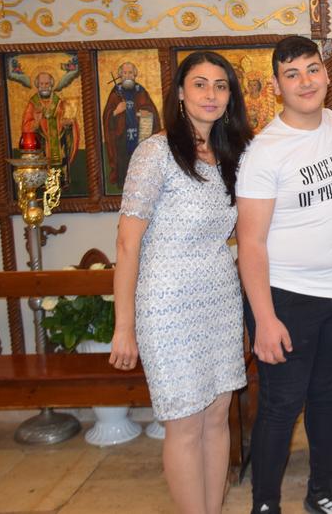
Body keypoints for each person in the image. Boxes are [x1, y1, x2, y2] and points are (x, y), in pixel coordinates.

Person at [109, 51, 253, 514]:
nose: (211, 94)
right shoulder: (156, 153)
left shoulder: (232, 155)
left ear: (230, 97)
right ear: (180, 93)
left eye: (220, 85)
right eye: (200, 84)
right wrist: (124, 326)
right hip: (167, 303)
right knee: (185, 421)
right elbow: (127, 244)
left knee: (217, 416)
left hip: (219, 298)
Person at [236, 37, 332, 514]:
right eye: (292, 75)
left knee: (329, 397)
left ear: (326, 74)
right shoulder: (264, 152)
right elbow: (250, 243)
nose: (305, 81)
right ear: (276, 86)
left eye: (312, 69)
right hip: (288, 296)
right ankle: (265, 504)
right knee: (281, 405)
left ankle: (324, 491)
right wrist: (264, 319)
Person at [103, 61, 162, 189]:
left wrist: (145, 113)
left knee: (141, 164)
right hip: (122, 137)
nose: (127, 75)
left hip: (141, 136)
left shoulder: (141, 91)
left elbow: (151, 111)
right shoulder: (115, 93)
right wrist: (116, 111)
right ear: (120, 75)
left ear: (135, 75)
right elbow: (107, 117)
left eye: (130, 73)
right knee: (124, 165)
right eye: (124, 73)